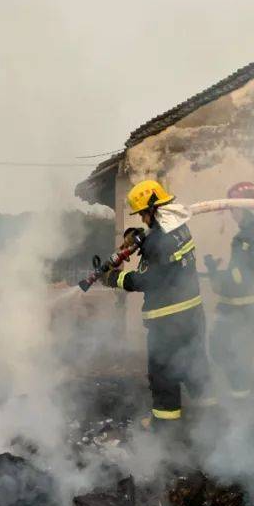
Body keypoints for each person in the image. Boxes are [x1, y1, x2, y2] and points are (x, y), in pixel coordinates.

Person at [103, 178, 213, 431]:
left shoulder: (156, 243)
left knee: (163, 375)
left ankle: (165, 430)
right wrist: (142, 236)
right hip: (192, 315)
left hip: (167, 323)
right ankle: (213, 421)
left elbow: (148, 279)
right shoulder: (180, 229)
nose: (142, 219)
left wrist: (115, 278)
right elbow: (166, 253)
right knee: (196, 367)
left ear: (153, 209)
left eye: (143, 214)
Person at [204, 181, 254, 401]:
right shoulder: (252, 231)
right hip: (238, 309)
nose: (232, 214)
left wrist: (217, 278)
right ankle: (245, 404)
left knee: (235, 358)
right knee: (226, 353)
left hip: (246, 310)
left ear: (245, 208)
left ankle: (244, 411)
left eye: (234, 209)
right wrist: (215, 272)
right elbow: (240, 273)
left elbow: (242, 277)